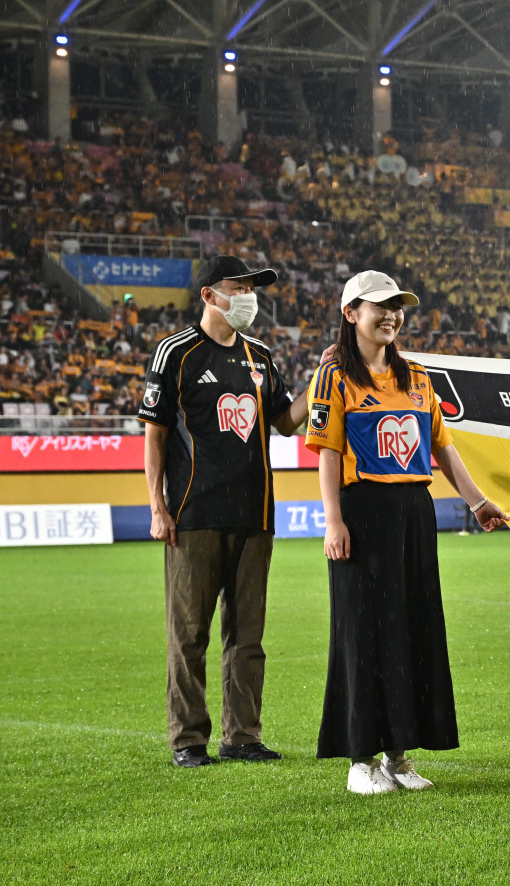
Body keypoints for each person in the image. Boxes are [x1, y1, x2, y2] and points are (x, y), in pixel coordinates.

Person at [305, 269, 509, 794]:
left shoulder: (417, 376)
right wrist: (333, 520)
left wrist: (477, 501)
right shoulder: (332, 378)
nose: (391, 315)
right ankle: (360, 761)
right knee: (361, 633)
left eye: (397, 306)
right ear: (351, 313)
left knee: (412, 630)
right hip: (361, 512)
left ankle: (398, 757)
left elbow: (443, 447)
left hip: (415, 512)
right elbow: (327, 454)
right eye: (380, 306)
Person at [139, 255, 313, 768]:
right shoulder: (175, 352)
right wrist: (157, 506)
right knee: (189, 634)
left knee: (248, 637)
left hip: (256, 514)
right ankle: (188, 741)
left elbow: (286, 422)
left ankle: (242, 736)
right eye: (239, 287)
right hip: (193, 515)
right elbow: (155, 436)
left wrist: (319, 383)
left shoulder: (261, 356)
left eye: (252, 289)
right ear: (209, 295)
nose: (248, 297)